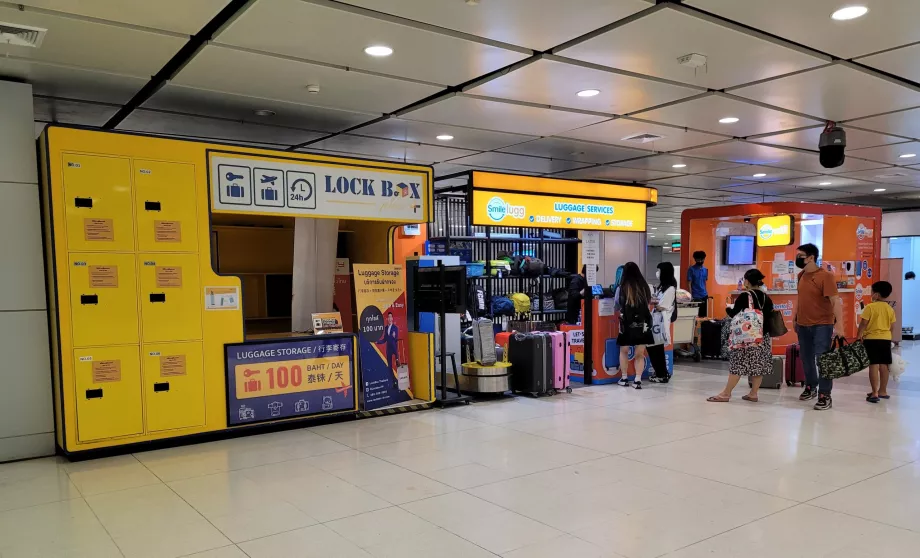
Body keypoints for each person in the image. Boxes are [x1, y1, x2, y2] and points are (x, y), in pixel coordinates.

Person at [707, 269, 773, 403]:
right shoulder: (767, 298)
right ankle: (753, 393)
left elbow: (733, 314)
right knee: (757, 365)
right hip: (762, 337)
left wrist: (728, 309)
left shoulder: (745, 296)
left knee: (737, 364)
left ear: (747, 281)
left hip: (746, 337)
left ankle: (726, 393)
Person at [795, 243, 843, 411]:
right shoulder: (801, 275)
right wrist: (795, 319)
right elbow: (799, 299)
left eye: (800, 256)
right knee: (806, 358)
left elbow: (835, 301)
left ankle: (825, 394)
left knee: (822, 360)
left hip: (822, 325)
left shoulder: (826, 276)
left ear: (811, 258)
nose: (797, 259)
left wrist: (840, 326)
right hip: (803, 325)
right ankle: (811, 386)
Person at [616, 262, 654, 389]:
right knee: (640, 353)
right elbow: (649, 302)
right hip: (643, 323)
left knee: (624, 351)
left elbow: (617, 304)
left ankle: (624, 378)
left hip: (627, 322)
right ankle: (637, 380)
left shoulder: (622, 287)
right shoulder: (645, 287)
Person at [858, 281, 897, 403]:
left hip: (871, 339)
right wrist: (888, 335)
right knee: (884, 365)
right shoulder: (889, 308)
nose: (871, 294)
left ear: (877, 294)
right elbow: (892, 326)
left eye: (872, 292)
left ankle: (874, 393)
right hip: (885, 339)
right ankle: (883, 391)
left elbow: (863, 323)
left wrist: (859, 335)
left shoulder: (870, 307)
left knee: (873, 365)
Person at [648, 262, 677, 384]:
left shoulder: (670, 289)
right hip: (656, 321)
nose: (657, 273)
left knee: (655, 348)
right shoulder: (662, 287)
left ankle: (661, 374)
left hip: (660, 322)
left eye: (659, 270)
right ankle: (661, 372)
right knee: (655, 348)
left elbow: (662, 306)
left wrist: (653, 302)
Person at [687, 251, 709, 317]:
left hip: (704, 295)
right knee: (695, 316)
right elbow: (689, 283)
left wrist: (706, 292)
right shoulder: (691, 269)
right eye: (698, 259)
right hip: (695, 296)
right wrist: (691, 296)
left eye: (701, 259)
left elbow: (705, 282)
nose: (700, 261)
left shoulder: (705, 269)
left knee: (704, 316)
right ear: (695, 259)